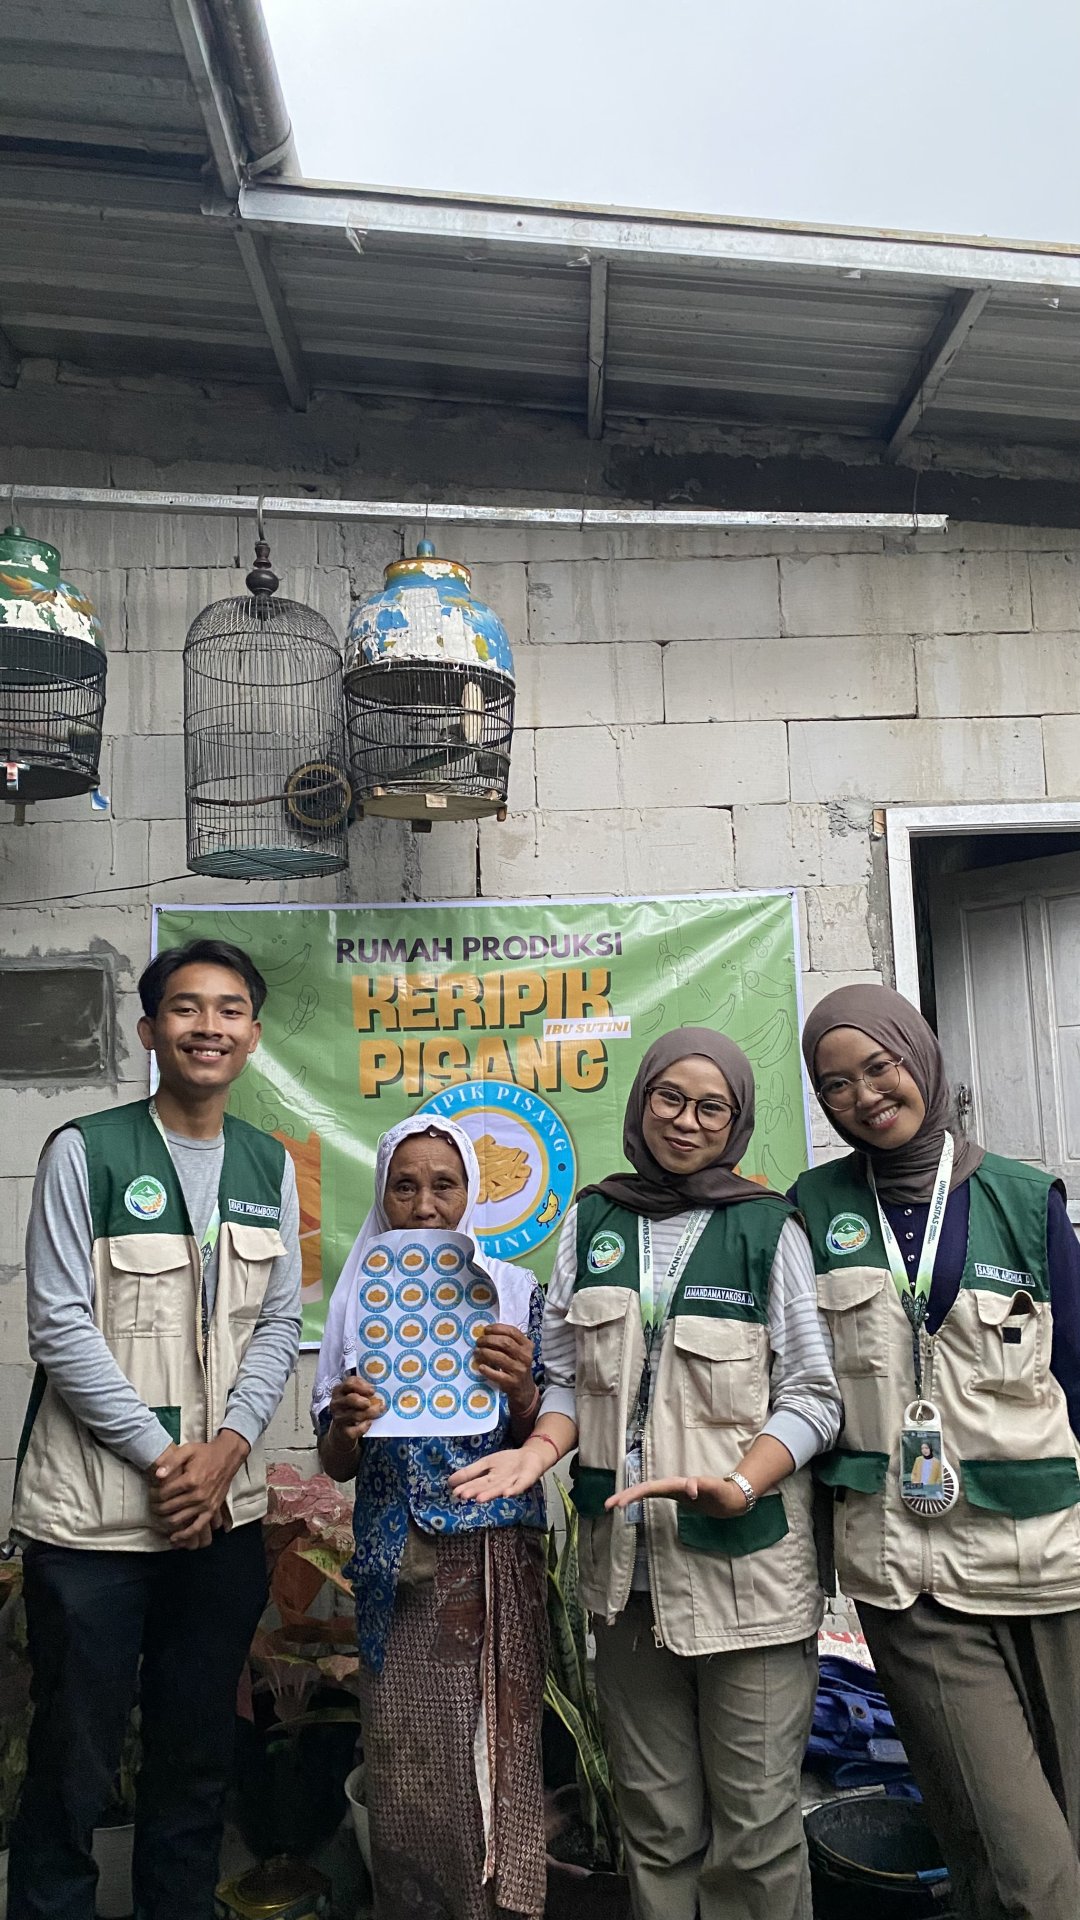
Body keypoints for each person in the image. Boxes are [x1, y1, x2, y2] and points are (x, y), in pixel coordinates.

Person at [451, 1028, 842, 1920]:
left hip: (746, 1575)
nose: (687, 1121)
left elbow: (816, 1396)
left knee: (754, 1828)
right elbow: (559, 1380)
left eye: (712, 1107)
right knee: (656, 1825)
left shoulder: (766, 1227)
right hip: (622, 1579)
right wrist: (538, 1447)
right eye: (670, 1097)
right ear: (641, 1103)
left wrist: (740, 1480)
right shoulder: (592, 1220)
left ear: (736, 1121)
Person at [7, 938, 302, 1920]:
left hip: (222, 1525)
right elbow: (58, 1323)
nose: (207, 1026)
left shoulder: (269, 1164)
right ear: (149, 1029)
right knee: (72, 1768)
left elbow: (277, 1326)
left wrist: (224, 1457)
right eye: (185, 1008)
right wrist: (167, 1459)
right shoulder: (84, 1152)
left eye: (228, 1010)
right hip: (90, 1529)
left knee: (194, 1763)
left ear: (252, 1037)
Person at [798, 982, 1080, 1920]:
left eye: (879, 1066)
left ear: (918, 1059)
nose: (866, 1095)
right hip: (909, 1574)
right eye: (835, 1085)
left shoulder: (1023, 1197)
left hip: (1049, 1560)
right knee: (1029, 1865)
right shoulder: (813, 1210)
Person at [312, 1115, 548, 1920]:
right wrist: (345, 1424)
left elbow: (542, 1434)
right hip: (398, 1561)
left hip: (492, 1557)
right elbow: (335, 1460)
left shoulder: (510, 1292)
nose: (423, 1203)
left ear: (471, 1194)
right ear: (383, 1195)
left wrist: (520, 1390)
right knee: (410, 1764)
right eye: (404, 1185)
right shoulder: (357, 1298)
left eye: (443, 1184)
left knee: (494, 1754)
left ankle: (503, 1906)